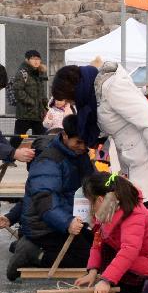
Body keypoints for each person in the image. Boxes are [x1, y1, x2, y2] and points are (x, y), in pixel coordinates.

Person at [50, 62, 148, 215]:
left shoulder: (112, 88)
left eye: (69, 100)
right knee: (134, 219)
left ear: (73, 90)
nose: (71, 104)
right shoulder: (94, 95)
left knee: (141, 219)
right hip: (131, 160)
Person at [4, 115, 94, 281]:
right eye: (78, 142)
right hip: (45, 225)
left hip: (68, 218)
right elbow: (44, 200)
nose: (83, 147)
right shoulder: (49, 161)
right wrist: (67, 222)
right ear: (65, 136)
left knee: (97, 248)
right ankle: (33, 254)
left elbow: (92, 181)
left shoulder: (79, 155)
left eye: (85, 142)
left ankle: (24, 244)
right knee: (87, 259)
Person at [74, 172, 148, 293]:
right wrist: (92, 272)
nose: (89, 206)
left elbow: (129, 250)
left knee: (124, 277)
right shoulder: (106, 210)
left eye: (90, 201)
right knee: (108, 251)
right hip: (142, 258)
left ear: (100, 200)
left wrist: (106, 280)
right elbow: (98, 243)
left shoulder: (133, 212)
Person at [12, 49, 48, 135]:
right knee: (17, 139)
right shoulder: (22, 73)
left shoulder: (40, 74)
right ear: (27, 60)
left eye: (38, 59)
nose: (36, 61)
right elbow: (18, 91)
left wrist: (46, 107)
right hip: (25, 114)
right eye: (33, 59)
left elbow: (42, 93)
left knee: (40, 139)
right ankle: (12, 149)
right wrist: (32, 102)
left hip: (39, 115)